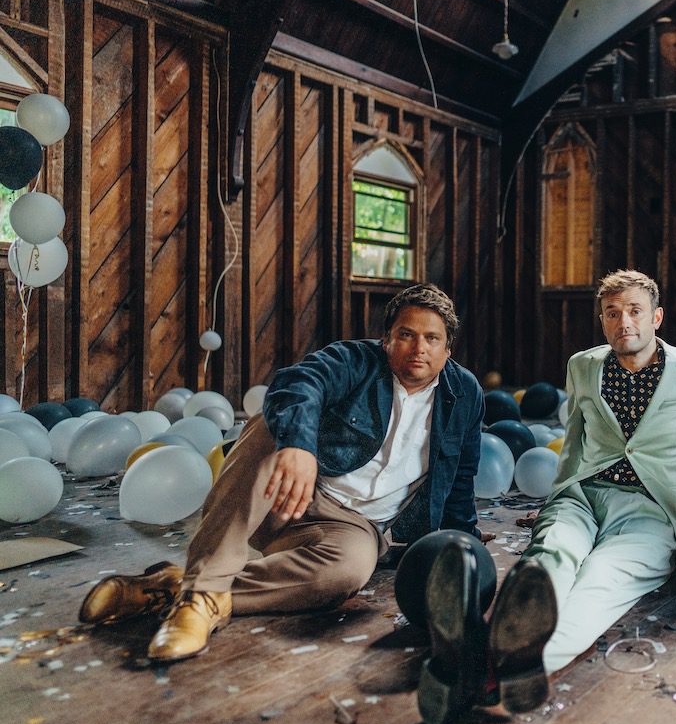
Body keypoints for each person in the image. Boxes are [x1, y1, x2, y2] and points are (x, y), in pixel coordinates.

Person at [413, 269, 676, 724]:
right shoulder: (583, 366)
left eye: (634, 311)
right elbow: (573, 445)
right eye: (612, 313)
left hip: (651, 510)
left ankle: (476, 665)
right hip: (582, 495)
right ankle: (501, 655)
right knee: (549, 558)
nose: (624, 322)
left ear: (656, 317)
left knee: (600, 581)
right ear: (602, 320)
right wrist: (556, 500)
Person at [78, 283, 485, 662]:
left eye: (432, 339)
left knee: (349, 571)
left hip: (356, 528)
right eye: (406, 334)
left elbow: (460, 479)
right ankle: (202, 593)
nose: (419, 348)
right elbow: (300, 382)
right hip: (290, 496)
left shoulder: (464, 395)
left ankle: (180, 588)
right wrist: (299, 446)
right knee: (273, 423)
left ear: (448, 350)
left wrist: (465, 556)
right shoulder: (356, 360)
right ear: (387, 339)